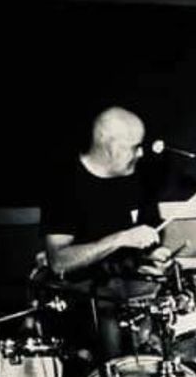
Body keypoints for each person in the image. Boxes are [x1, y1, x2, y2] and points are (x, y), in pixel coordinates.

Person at [40, 106, 173, 359]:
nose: (141, 153)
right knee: (112, 340)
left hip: (132, 293)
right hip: (86, 302)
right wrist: (120, 238)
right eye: (135, 146)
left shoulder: (137, 178)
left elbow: (145, 242)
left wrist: (154, 256)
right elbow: (59, 261)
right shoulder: (65, 185)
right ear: (109, 145)